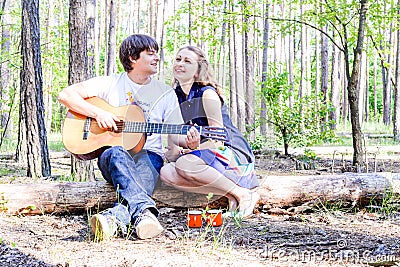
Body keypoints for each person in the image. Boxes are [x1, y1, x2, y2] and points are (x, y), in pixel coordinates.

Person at [58, 34, 184, 241]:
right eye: (150, 54)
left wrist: (190, 141)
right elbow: (66, 95)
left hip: (149, 156)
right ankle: (145, 212)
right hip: (113, 157)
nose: (157, 58)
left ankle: (111, 220)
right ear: (133, 57)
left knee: (143, 174)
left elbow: (176, 137)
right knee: (116, 151)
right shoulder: (109, 83)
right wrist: (98, 114)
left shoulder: (165, 93)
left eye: (157, 54)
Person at [160, 46, 259, 218]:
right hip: (202, 158)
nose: (180, 64)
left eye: (187, 61)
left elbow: (217, 141)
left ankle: (244, 194)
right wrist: (173, 152)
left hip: (231, 152)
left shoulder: (207, 94)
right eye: (178, 59)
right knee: (167, 173)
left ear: (198, 71)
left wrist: (192, 150)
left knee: (185, 165)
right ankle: (231, 194)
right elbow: (174, 150)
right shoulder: (173, 97)